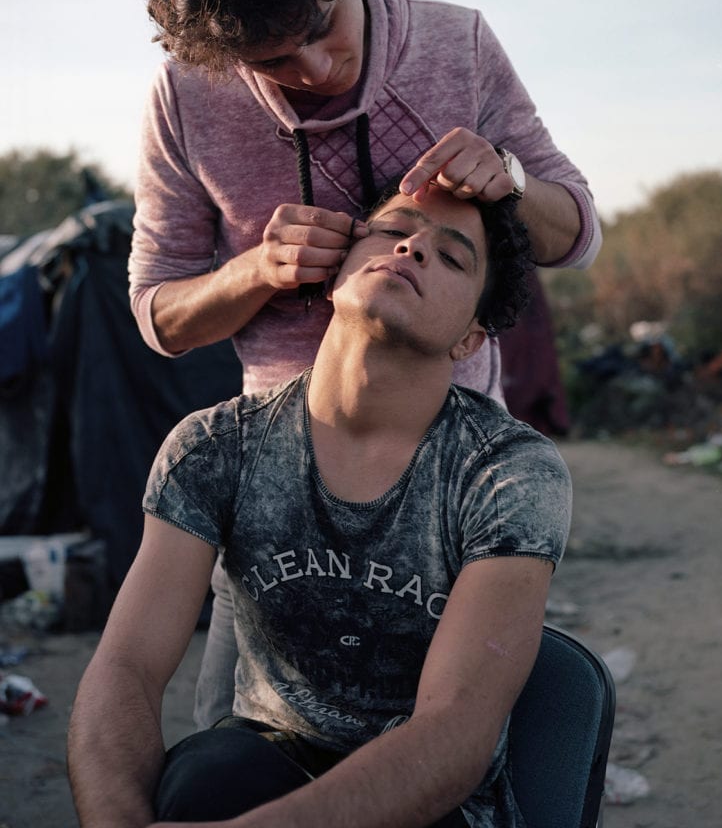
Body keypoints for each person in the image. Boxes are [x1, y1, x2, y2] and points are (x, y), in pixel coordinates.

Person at [126, 0, 600, 728]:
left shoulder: (455, 43)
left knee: (443, 739)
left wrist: (506, 176)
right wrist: (254, 272)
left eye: (323, 27)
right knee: (237, 739)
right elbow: (158, 315)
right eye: (273, 60)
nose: (314, 66)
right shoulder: (187, 96)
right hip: (273, 474)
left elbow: (573, 232)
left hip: (446, 468)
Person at [69, 186, 573, 828]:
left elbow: (456, 731)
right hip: (267, 757)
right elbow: (126, 667)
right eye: (392, 230)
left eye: (452, 258)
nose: (412, 247)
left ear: (471, 339)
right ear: (334, 273)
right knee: (204, 780)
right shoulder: (214, 448)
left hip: (429, 799)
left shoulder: (506, 471)